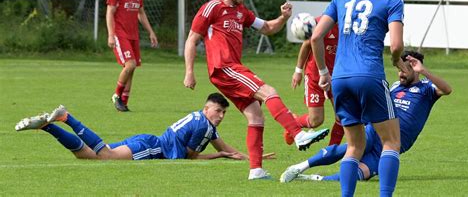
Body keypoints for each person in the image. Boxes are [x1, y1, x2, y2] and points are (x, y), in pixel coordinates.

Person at [183, 0, 329, 180]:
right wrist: (189, 72)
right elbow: (191, 39)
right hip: (223, 67)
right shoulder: (212, 8)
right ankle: (299, 135)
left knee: (255, 115)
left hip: (231, 68)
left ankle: (256, 170)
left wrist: (283, 17)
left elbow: (268, 27)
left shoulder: (242, 12)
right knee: (268, 91)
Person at [309, 0, 409, 196]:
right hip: (370, 76)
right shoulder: (392, 0)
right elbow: (396, 44)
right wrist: (397, 61)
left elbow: (316, 37)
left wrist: (324, 73)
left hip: (341, 78)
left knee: (354, 146)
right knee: (392, 142)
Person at [280, 51, 452, 184]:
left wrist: (423, 70)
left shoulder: (427, 88)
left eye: (405, 70)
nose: (401, 74)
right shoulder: (394, 86)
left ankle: (314, 179)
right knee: (348, 148)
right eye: (399, 70)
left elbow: (447, 89)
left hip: (394, 144)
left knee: (360, 175)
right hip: (378, 131)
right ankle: (299, 167)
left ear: (416, 70)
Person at [15, 93, 276, 161]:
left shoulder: (200, 119)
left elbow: (225, 146)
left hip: (148, 140)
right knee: (104, 156)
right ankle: (66, 117)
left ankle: (47, 126)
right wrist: (218, 155)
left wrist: (252, 157)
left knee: (86, 155)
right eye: (218, 111)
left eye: (223, 113)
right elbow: (190, 157)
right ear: (207, 109)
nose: (220, 116)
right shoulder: (204, 127)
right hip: (152, 148)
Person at [106, 0, 158, 112]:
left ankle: (124, 102)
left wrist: (150, 32)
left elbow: (141, 13)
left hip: (133, 35)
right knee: (130, 65)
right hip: (120, 34)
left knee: (132, 68)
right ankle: (116, 95)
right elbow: (110, 12)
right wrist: (111, 34)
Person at [287, 16, 344, 146]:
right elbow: (306, 45)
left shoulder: (348, 27)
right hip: (314, 77)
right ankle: (292, 124)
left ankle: (330, 151)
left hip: (336, 77)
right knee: (316, 121)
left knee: (342, 116)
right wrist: (298, 71)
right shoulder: (319, 23)